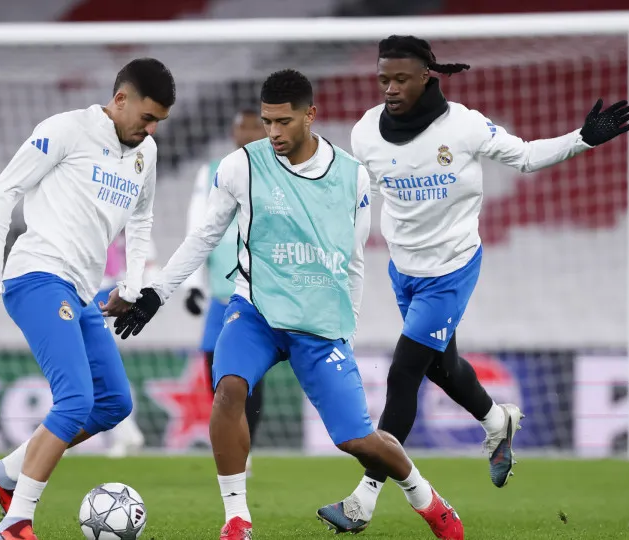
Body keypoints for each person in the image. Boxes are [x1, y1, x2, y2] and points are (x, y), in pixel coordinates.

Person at [112, 69, 463, 540]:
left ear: (310, 115)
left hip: (318, 323)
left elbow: (354, 259)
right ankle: (236, 518)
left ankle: (428, 499)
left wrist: (348, 326)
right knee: (228, 389)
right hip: (254, 310)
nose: (273, 132)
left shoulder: (352, 176)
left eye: (283, 122)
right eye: (267, 121)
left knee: (356, 439)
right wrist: (157, 292)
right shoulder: (240, 167)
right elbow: (205, 236)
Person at [332, 34, 629, 531]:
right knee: (440, 366)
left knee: (404, 372)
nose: (390, 88)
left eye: (401, 78)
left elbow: (526, 156)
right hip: (403, 269)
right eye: (384, 79)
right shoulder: (365, 132)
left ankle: (364, 498)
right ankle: (497, 420)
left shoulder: (464, 126)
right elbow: (359, 196)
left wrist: (582, 138)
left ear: (426, 75)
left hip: (451, 269)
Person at [0, 58, 175, 540]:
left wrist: (132, 285)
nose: (150, 130)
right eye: (146, 117)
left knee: (113, 403)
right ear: (120, 99)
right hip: (37, 275)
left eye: (159, 122)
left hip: (81, 290)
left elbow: (141, 218)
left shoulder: (146, 152)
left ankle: (6, 473)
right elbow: (4, 191)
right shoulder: (65, 130)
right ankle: (16, 522)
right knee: (76, 398)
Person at [183, 109, 267, 475]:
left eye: (254, 127)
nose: (247, 134)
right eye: (241, 127)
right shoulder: (212, 171)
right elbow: (196, 227)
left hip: (260, 295)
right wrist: (192, 284)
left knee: (251, 375)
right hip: (221, 293)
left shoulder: (276, 171)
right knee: (213, 366)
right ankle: (234, 440)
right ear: (233, 133)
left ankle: (245, 448)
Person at [92, 232, 152, 459]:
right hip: (99, 291)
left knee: (96, 370)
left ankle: (126, 434)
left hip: (105, 293)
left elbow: (146, 255)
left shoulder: (122, 224)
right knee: (94, 371)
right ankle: (128, 434)